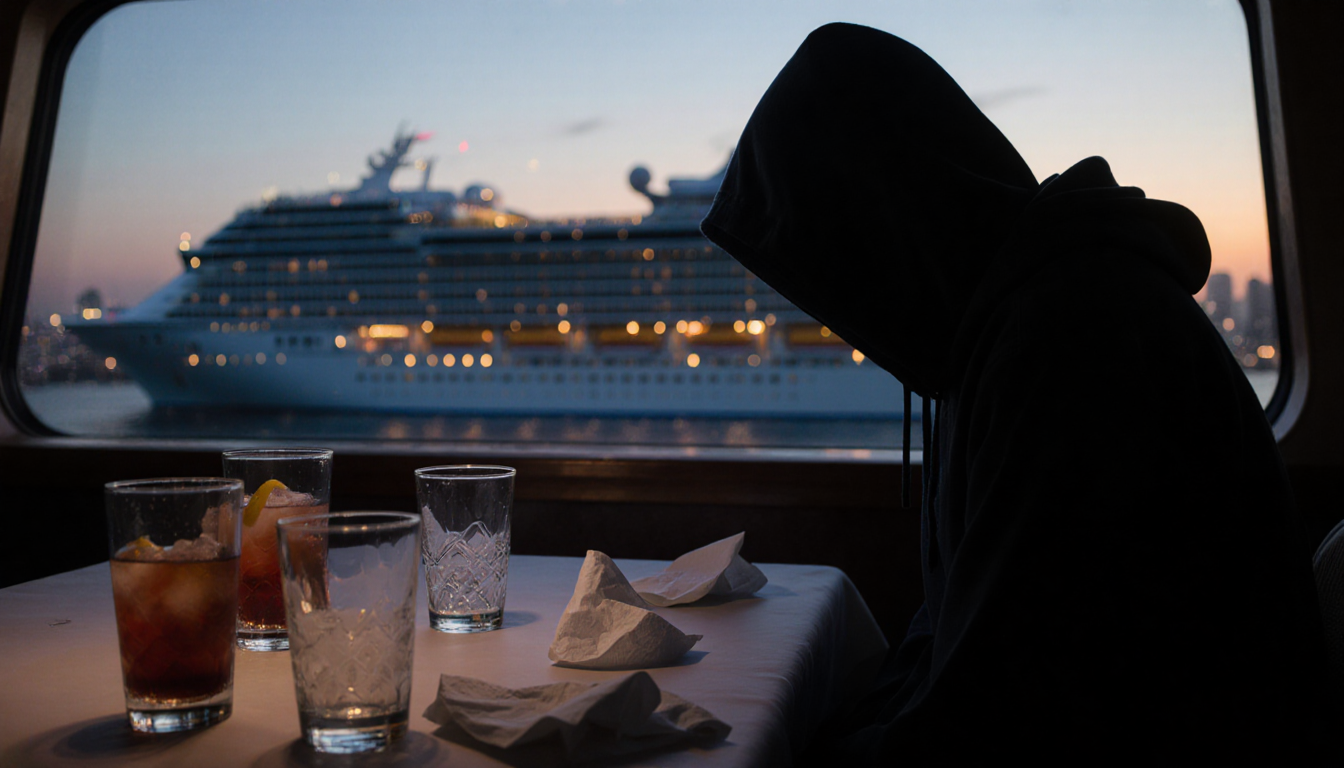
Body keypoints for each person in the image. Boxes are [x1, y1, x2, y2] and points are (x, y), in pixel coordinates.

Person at [700, 23, 1333, 764]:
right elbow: (961, 642)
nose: (848, 322)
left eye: (840, 266)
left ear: (886, 222)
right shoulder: (1012, 325)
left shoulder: (1074, 348)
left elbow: (1003, 717)